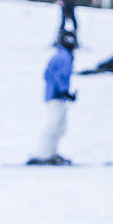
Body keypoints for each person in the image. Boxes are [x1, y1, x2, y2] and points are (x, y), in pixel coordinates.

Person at [27, 30, 77, 166]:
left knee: (60, 126)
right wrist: (63, 91)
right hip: (55, 95)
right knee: (54, 124)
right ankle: (42, 154)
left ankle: (51, 152)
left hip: (56, 95)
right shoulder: (63, 57)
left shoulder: (63, 55)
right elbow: (54, 76)